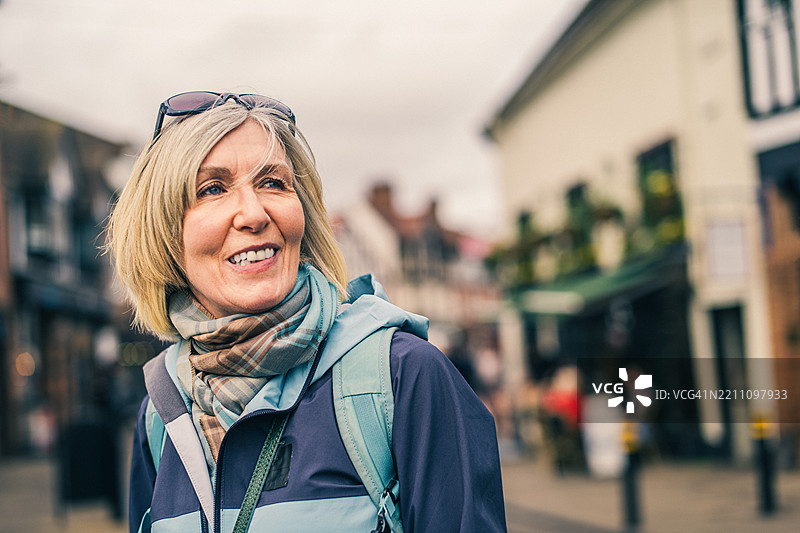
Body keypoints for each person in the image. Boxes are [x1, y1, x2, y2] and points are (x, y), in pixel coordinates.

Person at [106, 91, 506, 533]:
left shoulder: (404, 377)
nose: (254, 213)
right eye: (213, 188)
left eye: (273, 183)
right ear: (163, 231)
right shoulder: (160, 414)